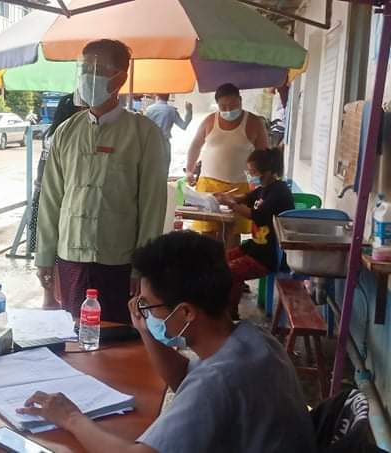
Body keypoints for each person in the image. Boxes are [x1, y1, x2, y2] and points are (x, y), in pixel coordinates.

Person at [19, 232, 317, 453]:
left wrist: (71, 418)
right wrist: (147, 330)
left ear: (186, 312)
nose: (144, 311)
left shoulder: (219, 380)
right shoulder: (252, 339)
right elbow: (185, 378)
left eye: (149, 305)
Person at [36, 40, 168, 323]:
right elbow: (50, 199)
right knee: (73, 332)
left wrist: (142, 269)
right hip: (70, 256)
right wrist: (45, 256)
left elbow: (152, 207)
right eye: (83, 69)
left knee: (116, 336)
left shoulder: (145, 134)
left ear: (119, 78)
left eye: (94, 69)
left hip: (119, 261)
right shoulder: (66, 132)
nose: (86, 76)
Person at [214, 148, 294, 311]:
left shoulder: (279, 192)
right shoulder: (263, 189)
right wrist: (225, 197)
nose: (250, 175)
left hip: (270, 255)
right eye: (249, 171)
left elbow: (258, 215)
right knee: (220, 260)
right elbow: (244, 198)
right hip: (256, 247)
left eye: (253, 172)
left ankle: (229, 313)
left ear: (268, 172)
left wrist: (232, 205)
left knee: (231, 271)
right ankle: (219, 305)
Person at [186, 83, 269, 236]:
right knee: (207, 233)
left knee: (232, 233)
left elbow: (264, 153)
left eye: (233, 105)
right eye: (223, 107)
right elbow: (195, 146)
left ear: (240, 100)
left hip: (238, 188)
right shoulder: (209, 120)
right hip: (208, 184)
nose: (228, 110)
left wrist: (261, 181)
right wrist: (189, 170)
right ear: (217, 105)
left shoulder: (254, 122)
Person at [31, 93, 87, 310]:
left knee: (47, 249)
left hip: (41, 196)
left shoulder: (51, 133)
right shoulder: (67, 135)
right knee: (55, 251)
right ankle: (52, 299)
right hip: (55, 199)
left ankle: (49, 299)